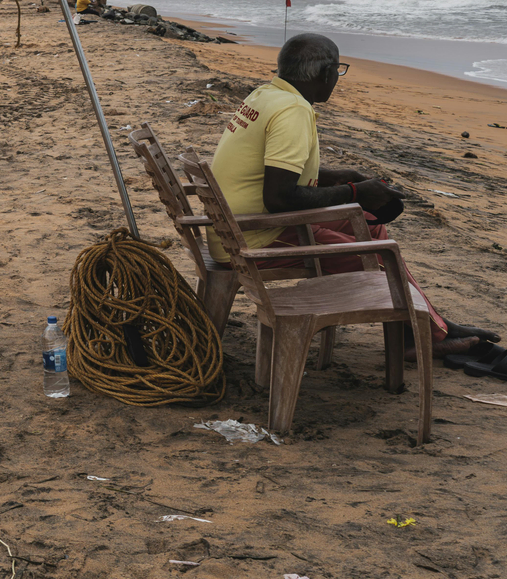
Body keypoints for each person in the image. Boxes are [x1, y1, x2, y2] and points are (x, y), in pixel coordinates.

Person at [210, 33, 497, 357]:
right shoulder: (293, 111)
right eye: (338, 71)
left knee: (372, 228)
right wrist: (354, 192)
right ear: (325, 73)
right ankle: (428, 334)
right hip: (254, 238)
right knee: (376, 254)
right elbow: (278, 198)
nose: (337, 79)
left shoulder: (266, 95)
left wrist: (343, 178)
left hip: (234, 227)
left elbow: (276, 171)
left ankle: (428, 326)